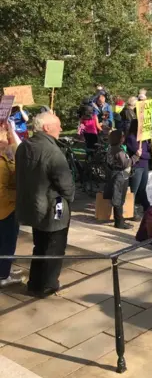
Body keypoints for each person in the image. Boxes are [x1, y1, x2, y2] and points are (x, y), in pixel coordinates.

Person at [15, 113, 75, 298]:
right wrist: (69, 196)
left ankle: (34, 284)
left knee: (39, 246)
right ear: (47, 128)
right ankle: (48, 285)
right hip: (53, 208)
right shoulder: (53, 152)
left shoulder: (24, 146)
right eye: (58, 125)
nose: (61, 129)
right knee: (54, 247)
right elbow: (66, 185)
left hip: (34, 206)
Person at [0, 121, 23, 288]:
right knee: (7, 242)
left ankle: (5, 270)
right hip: (5, 208)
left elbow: (17, 154)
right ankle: (3, 275)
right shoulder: (2, 161)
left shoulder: (4, 155)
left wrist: (10, 132)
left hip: (6, 207)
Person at [105, 130, 140, 230]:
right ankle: (119, 222)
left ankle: (119, 220)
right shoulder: (119, 151)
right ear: (119, 138)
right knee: (119, 199)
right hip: (120, 176)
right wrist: (136, 156)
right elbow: (126, 163)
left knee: (117, 198)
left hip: (114, 175)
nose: (124, 138)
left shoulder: (111, 148)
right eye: (122, 136)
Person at [125, 121, 152, 216]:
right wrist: (150, 155)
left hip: (144, 166)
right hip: (137, 167)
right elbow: (140, 154)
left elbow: (147, 148)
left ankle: (147, 207)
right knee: (134, 190)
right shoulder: (131, 138)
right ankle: (130, 210)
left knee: (142, 189)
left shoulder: (143, 138)